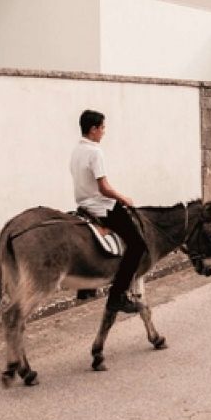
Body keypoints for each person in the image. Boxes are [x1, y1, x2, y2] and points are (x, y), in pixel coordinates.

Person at [69, 109, 147, 314]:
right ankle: (119, 295)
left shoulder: (76, 151)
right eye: (102, 128)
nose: (104, 132)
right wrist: (123, 198)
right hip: (101, 206)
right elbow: (103, 188)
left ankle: (85, 287)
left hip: (83, 206)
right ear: (93, 129)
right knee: (138, 245)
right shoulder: (95, 152)